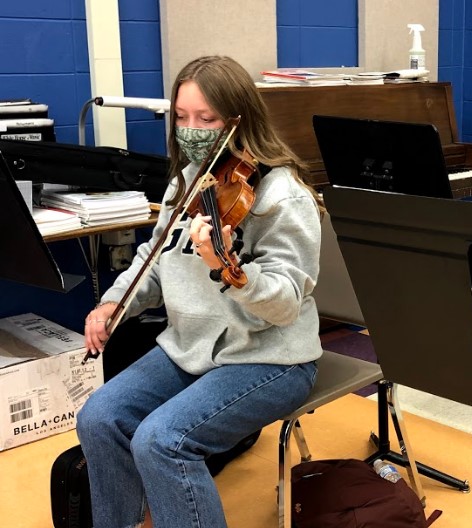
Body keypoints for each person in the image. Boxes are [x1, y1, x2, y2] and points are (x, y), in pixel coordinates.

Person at [76, 55, 324, 528]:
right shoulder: (188, 180)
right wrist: (113, 302)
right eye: (182, 117)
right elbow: (155, 257)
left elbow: (287, 303)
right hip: (191, 347)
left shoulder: (281, 195)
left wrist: (232, 271)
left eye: (206, 119)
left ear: (239, 120)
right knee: (99, 417)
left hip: (269, 358)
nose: (191, 130)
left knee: (162, 441)